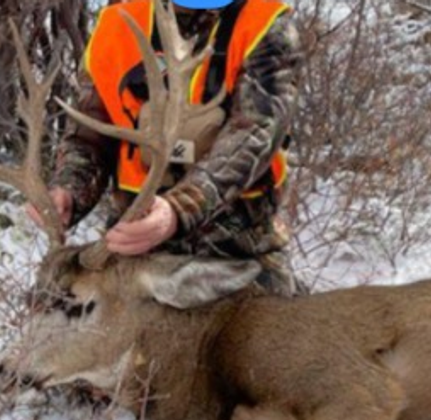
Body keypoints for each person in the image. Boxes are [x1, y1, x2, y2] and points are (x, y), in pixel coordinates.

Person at [28, 0, 302, 295]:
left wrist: (178, 210)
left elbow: (255, 134)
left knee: (281, 333)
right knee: (60, 311)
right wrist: (69, 189)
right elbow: (90, 132)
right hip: (134, 243)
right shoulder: (119, 23)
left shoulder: (265, 25)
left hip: (237, 247)